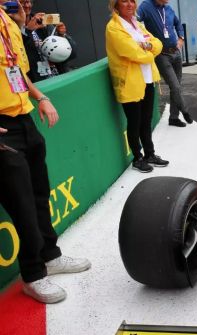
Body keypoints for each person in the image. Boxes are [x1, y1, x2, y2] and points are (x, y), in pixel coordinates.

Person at [0, 2, 90, 304]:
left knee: (40, 194)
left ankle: (50, 256)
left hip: (24, 116)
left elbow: (17, 70)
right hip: (2, 128)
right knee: (23, 204)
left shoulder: (9, 22)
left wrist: (40, 96)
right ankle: (33, 275)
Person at [106, 0, 169, 173]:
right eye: (124, 1)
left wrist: (147, 46)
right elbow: (131, 52)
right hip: (130, 83)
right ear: (116, 5)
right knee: (135, 122)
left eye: (132, 1)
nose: (129, 4)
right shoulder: (113, 27)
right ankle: (137, 157)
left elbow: (158, 43)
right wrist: (149, 52)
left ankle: (150, 154)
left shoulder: (137, 24)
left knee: (146, 120)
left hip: (147, 79)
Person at [137, 0, 193, 127]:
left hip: (176, 53)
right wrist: (144, 40)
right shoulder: (146, 6)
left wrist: (181, 39)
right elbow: (134, 21)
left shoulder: (168, 9)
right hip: (162, 55)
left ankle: (173, 118)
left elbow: (178, 24)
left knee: (177, 86)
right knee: (175, 86)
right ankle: (185, 111)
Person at [17, 0, 75, 82]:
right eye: (22, 2)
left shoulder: (42, 22)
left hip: (58, 76)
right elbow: (18, 54)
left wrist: (62, 36)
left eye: (29, 1)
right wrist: (27, 31)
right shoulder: (11, 27)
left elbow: (72, 54)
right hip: (37, 83)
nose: (27, 5)